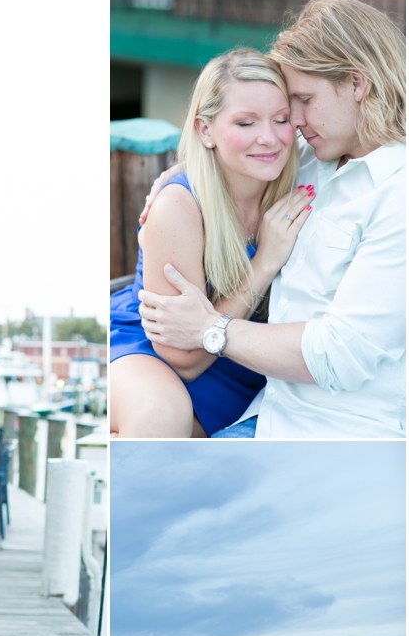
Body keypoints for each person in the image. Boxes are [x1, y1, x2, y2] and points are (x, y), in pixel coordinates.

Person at [138, 0, 406, 438]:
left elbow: (341, 352)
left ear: (357, 84)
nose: (293, 123)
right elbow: (231, 151)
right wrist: (176, 181)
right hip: (266, 413)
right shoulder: (313, 153)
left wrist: (211, 329)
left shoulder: (397, 193)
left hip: (341, 436)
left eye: (302, 101)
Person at [110, 48, 313, 438]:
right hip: (158, 351)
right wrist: (266, 261)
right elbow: (182, 357)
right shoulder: (178, 208)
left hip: (244, 359)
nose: (268, 138)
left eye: (281, 119)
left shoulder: (304, 167)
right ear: (205, 130)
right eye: (245, 122)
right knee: (159, 418)